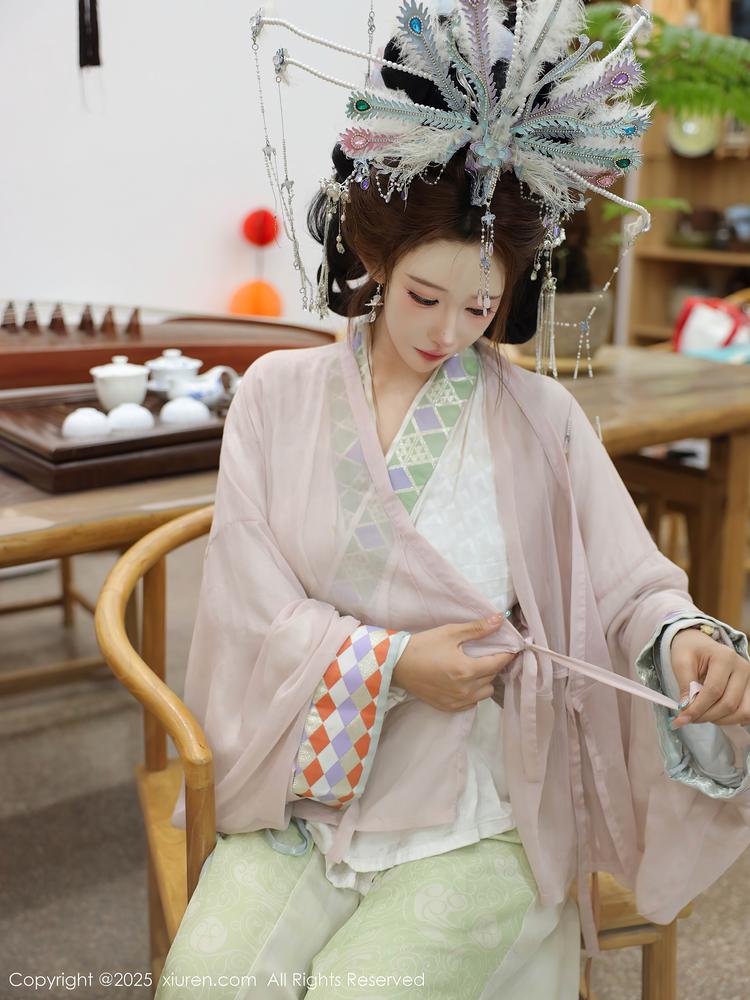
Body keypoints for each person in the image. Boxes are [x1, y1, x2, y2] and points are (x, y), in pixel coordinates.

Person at [156, 4, 750, 998]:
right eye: (423, 298)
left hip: (481, 798)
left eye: (479, 307)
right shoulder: (274, 398)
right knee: (206, 981)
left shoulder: (541, 418)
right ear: (373, 259)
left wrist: (686, 636)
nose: (446, 332)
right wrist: (395, 664)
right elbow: (246, 612)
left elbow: (628, 584)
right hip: (309, 787)